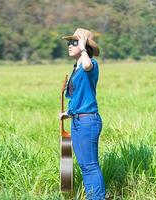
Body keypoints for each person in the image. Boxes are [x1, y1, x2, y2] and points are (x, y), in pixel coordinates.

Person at [58, 28, 106, 200]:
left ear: (85, 44)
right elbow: (79, 95)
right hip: (78, 121)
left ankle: (97, 198)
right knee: (85, 166)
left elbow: (87, 65)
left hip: (88, 122)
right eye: (69, 42)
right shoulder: (76, 68)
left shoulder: (90, 65)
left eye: (74, 42)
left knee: (91, 166)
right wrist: (68, 112)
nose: (69, 45)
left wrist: (84, 47)